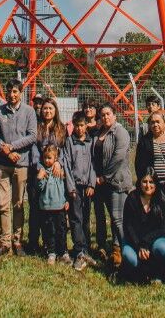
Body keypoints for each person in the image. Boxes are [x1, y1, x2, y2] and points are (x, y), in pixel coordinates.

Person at [0, 79, 37, 255]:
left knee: (18, 204)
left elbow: (32, 136)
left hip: (21, 163)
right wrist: (5, 149)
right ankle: (5, 241)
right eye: (9, 91)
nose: (11, 95)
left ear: (21, 93)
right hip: (2, 163)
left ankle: (17, 241)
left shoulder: (29, 112)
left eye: (15, 92)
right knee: (3, 204)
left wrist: (13, 146)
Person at [94, 103, 133, 267]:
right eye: (102, 115)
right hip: (103, 183)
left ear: (115, 115)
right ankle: (116, 250)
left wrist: (104, 176)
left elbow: (118, 157)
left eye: (108, 114)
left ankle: (126, 251)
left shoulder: (120, 132)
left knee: (118, 219)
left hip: (117, 181)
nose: (106, 117)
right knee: (112, 216)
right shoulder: (99, 132)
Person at [28, 97, 66, 253]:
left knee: (55, 213)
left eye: (50, 108)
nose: (47, 111)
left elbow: (64, 149)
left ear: (55, 111)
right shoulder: (36, 127)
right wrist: (39, 167)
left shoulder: (61, 129)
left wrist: (59, 163)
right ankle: (34, 242)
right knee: (36, 209)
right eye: (45, 108)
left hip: (56, 172)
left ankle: (54, 245)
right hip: (39, 172)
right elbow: (34, 150)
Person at [121, 167, 165, 283]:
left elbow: (163, 228)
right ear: (139, 182)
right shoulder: (132, 198)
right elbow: (128, 226)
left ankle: (158, 273)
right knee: (130, 257)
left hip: (154, 239)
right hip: (134, 239)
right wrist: (139, 245)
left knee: (163, 249)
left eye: (151, 182)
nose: (148, 185)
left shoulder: (163, 200)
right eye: (144, 182)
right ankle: (136, 273)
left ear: (156, 183)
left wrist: (146, 242)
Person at [63, 111, 97, 271]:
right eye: (76, 125)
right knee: (76, 218)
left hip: (87, 186)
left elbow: (93, 165)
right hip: (75, 186)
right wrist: (70, 187)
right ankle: (79, 251)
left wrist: (91, 184)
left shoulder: (91, 141)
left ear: (86, 125)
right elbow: (67, 165)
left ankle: (86, 250)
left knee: (85, 218)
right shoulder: (70, 141)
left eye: (82, 125)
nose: (79, 128)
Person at [135, 111, 165, 210]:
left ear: (164, 123)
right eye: (152, 122)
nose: (155, 125)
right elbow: (139, 164)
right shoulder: (144, 141)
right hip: (153, 187)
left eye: (158, 122)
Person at [37, 144, 70, 265]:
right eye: (45, 158)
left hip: (59, 207)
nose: (47, 160)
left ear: (55, 158)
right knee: (49, 230)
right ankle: (51, 252)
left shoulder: (59, 171)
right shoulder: (43, 172)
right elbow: (39, 188)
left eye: (49, 158)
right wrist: (40, 178)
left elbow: (64, 187)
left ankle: (63, 252)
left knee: (61, 230)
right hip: (46, 207)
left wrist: (66, 200)